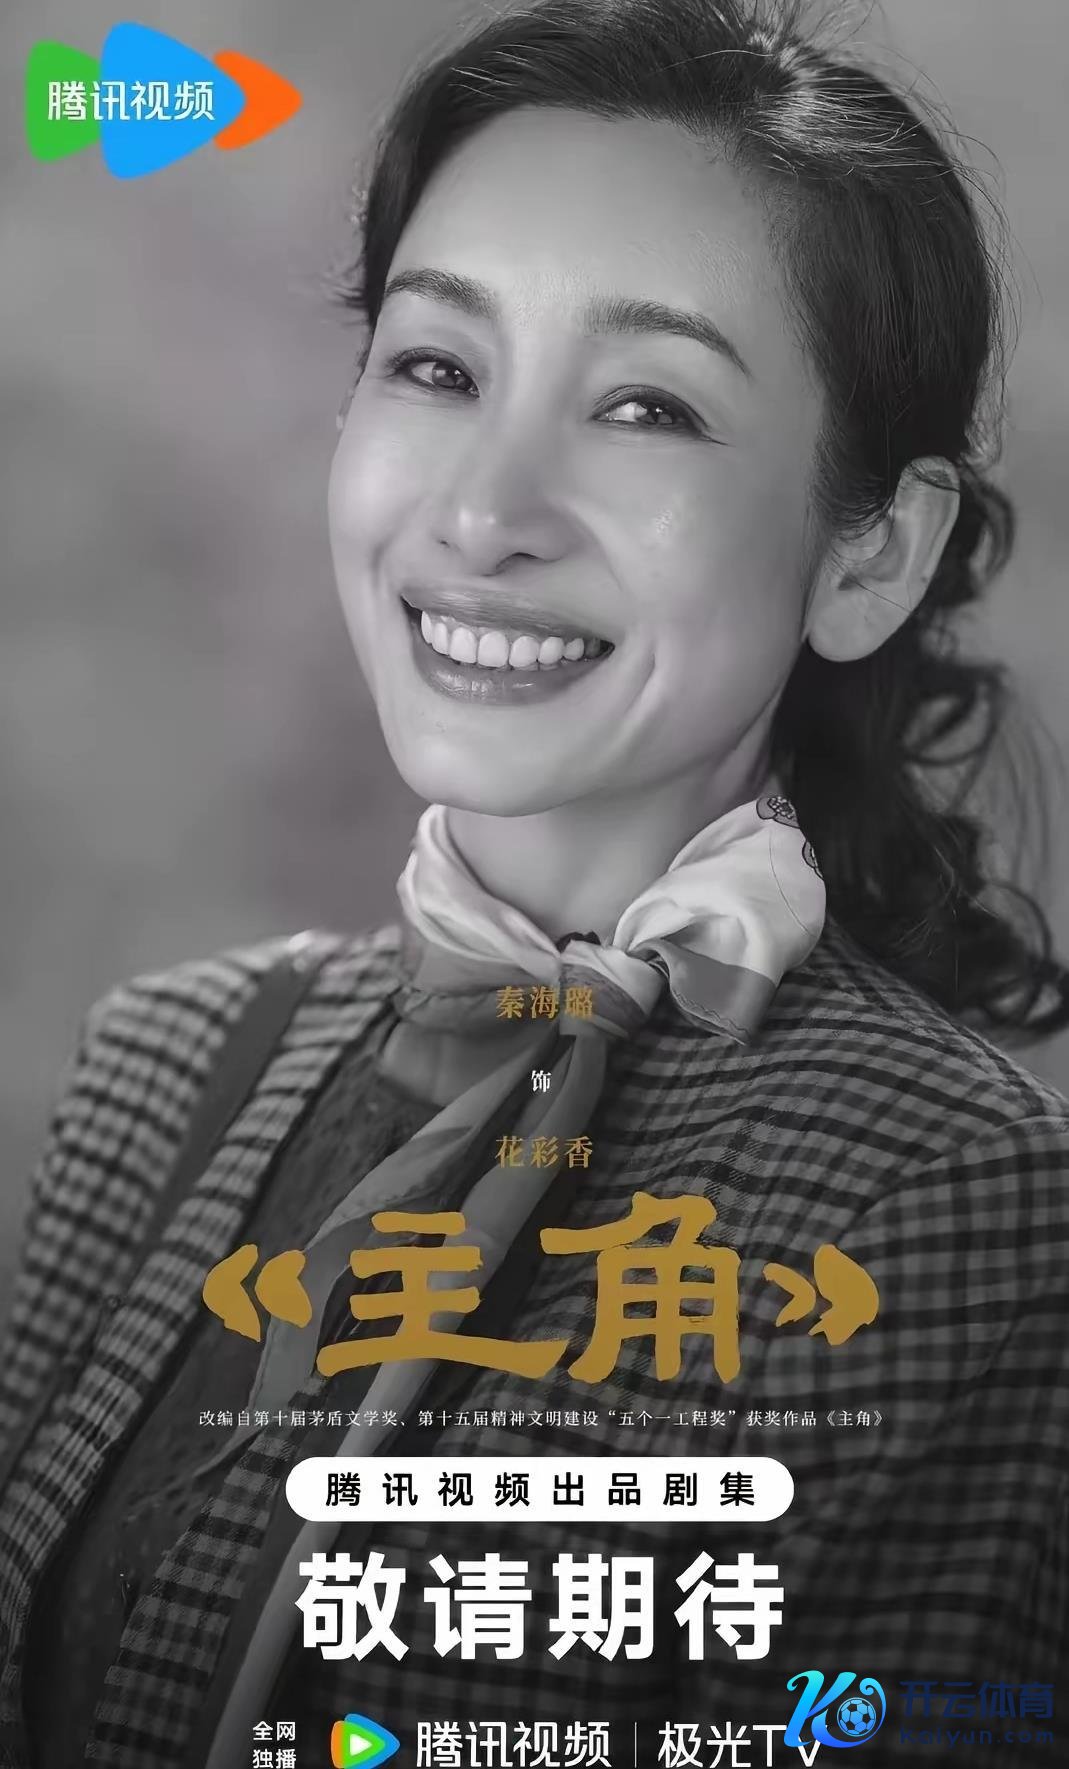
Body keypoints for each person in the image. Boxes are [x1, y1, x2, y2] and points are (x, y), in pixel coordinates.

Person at [1, 1, 1068, 1763]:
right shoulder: (162, 1067)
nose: (487, 510)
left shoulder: (959, 1204)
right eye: (436, 366)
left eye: (648, 405)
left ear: (870, 555)